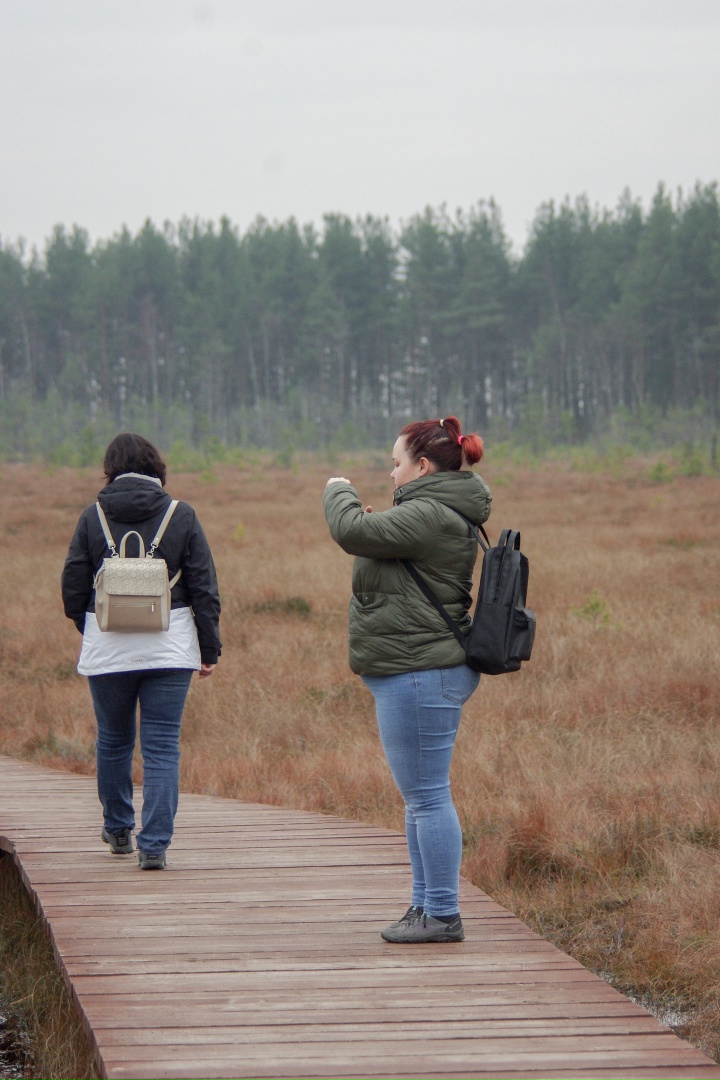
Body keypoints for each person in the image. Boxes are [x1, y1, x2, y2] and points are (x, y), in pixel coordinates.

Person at [324, 416, 490, 943]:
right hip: (418, 670)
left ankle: (441, 912)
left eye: (395, 463)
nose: (391, 473)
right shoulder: (432, 513)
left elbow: (350, 531)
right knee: (420, 797)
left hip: (422, 672)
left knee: (428, 797)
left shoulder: (430, 514)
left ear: (422, 466)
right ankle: (425, 908)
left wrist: (339, 493)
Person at [62, 432, 221, 870]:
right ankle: (154, 846)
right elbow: (205, 588)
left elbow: (73, 585)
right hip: (170, 649)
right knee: (162, 748)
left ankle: (117, 830)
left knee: (113, 741)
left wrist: (92, 624)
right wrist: (209, 648)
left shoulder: (92, 516)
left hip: (108, 650)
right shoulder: (181, 514)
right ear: (156, 468)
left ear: (110, 470)